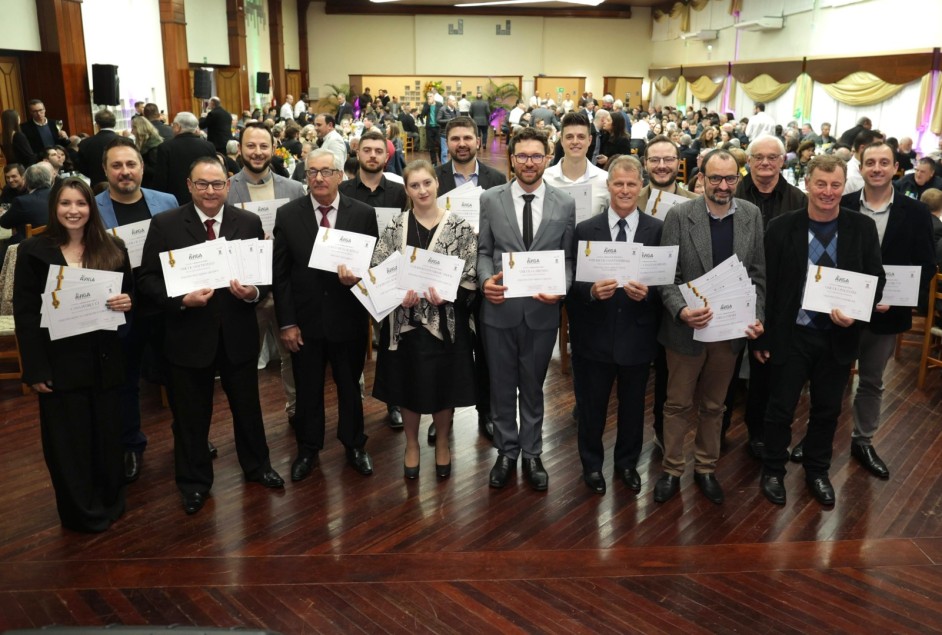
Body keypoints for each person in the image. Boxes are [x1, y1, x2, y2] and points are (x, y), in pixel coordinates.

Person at [138, 158, 285, 514]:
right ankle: (193, 483)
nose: (210, 191)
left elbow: (263, 277)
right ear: (189, 185)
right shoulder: (165, 224)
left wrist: (252, 294)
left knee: (248, 409)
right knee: (191, 417)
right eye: (202, 184)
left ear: (227, 186)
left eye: (217, 184)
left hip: (237, 335)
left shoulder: (247, 222)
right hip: (188, 336)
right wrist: (181, 300)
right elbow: (146, 280)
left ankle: (258, 467)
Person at [757, 154, 885, 506]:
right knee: (780, 408)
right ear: (808, 184)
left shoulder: (861, 228)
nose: (828, 192)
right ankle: (773, 471)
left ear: (844, 187)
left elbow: (876, 279)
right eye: (821, 184)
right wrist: (764, 336)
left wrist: (856, 315)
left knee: (828, 410)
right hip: (791, 336)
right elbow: (766, 285)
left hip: (837, 337)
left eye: (835, 185)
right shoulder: (782, 227)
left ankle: (817, 470)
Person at [13, 177, 133, 532]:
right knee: (68, 443)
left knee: (108, 435)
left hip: (105, 358)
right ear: (55, 208)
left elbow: (128, 298)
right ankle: (80, 511)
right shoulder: (33, 251)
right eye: (65, 204)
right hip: (59, 363)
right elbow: (25, 314)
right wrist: (35, 369)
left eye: (80, 203)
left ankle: (111, 501)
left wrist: (129, 303)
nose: (73, 211)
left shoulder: (113, 247)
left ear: (91, 207)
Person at [810, 142, 933, 480]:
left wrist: (902, 297)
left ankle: (862, 441)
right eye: (870, 163)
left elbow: (926, 265)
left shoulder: (917, 212)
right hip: (839, 311)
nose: (877, 168)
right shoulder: (842, 203)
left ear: (896, 168)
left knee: (872, 380)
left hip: (886, 314)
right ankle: (815, 439)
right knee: (829, 376)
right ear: (860, 168)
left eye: (884, 162)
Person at [654, 149, 766, 505]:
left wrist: (755, 314)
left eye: (730, 178)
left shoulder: (751, 215)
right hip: (685, 331)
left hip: (730, 332)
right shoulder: (678, 215)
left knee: (716, 406)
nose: (723, 185)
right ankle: (671, 470)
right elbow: (665, 277)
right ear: (700, 178)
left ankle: (705, 467)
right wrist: (681, 311)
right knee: (676, 405)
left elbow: (758, 275)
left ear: (738, 178)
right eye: (715, 178)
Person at [477, 127, 576, 491]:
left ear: (547, 158)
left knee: (533, 386)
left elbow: (567, 258)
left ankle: (533, 452)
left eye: (537, 155)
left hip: (541, 312)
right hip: (499, 310)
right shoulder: (491, 198)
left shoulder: (564, 203)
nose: (529, 162)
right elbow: (483, 251)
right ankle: (506, 451)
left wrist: (561, 288)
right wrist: (485, 279)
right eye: (523, 156)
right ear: (512, 159)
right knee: (502, 386)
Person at [273, 149, 378, 482]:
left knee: (350, 388)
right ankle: (308, 449)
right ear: (306, 178)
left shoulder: (362, 213)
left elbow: (372, 265)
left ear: (340, 176)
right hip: (304, 323)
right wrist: (287, 323)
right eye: (312, 172)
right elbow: (281, 275)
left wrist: (359, 277)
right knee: (307, 390)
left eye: (326, 171)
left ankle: (354, 445)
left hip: (348, 319)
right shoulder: (288, 215)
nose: (319, 178)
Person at [371, 160, 478, 479]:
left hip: (445, 325)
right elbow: (379, 270)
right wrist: (395, 293)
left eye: (427, 183)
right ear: (406, 190)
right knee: (408, 385)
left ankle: (443, 442)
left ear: (437, 184)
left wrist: (450, 292)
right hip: (404, 325)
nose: (422, 190)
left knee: (444, 386)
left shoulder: (459, 226)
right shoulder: (395, 227)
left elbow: (470, 272)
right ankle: (412, 445)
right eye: (414, 185)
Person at [567, 155, 663, 495]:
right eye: (618, 183)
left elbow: (664, 283)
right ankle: (591, 466)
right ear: (608, 187)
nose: (624, 190)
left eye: (631, 184)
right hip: (594, 336)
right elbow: (573, 283)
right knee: (592, 409)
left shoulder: (657, 229)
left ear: (641, 188)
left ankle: (626, 463)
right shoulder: (586, 229)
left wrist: (648, 294)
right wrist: (591, 290)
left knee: (634, 407)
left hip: (637, 336)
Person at [95, 137, 179, 481]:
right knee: (125, 382)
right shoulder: (92, 207)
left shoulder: (167, 201)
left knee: (179, 376)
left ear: (142, 168)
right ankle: (131, 445)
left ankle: (188, 439)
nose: (125, 172)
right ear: (105, 170)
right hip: (119, 307)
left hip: (164, 302)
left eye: (131, 165)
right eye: (117, 166)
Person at [725, 135, 806, 456]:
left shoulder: (798, 199)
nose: (765, 163)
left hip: (777, 297)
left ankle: (757, 433)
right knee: (725, 370)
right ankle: (717, 430)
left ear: (782, 161)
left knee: (765, 370)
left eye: (772, 157)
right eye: (758, 157)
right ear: (748, 161)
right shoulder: (731, 191)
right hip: (731, 290)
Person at [433, 116, 508, 442]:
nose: (461, 144)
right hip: (446, 277)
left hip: (487, 274)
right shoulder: (433, 179)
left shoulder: (497, 178)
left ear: (478, 141)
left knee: (488, 349)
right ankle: (441, 417)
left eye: (467, 138)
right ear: (447, 143)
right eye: (455, 139)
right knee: (445, 348)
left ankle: (486, 412)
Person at [225, 122, 305, 427]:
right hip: (243, 290)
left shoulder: (293, 188)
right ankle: (247, 421)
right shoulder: (227, 187)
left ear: (273, 148)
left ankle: (297, 411)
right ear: (240, 148)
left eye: (263, 146)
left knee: (292, 357)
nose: (257, 152)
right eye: (251, 146)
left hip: (286, 287)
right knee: (243, 362)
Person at [338, 128, 408, 429]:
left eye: (379, 151)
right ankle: (353, 409)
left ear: (386, 155)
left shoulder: (398, 192)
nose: (373, 155)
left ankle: (393, 403)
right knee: (352, 349)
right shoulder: (342, 191)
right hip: (350, 280)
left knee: (391, 346)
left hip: (387, 278)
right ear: (358, 153)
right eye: (367, 150)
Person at [544, 112, 609, 221]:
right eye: (569, 137)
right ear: (562, 141)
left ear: (590, 140)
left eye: (581, 137)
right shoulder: (544, 180)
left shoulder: (605, 180)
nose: (575, 142)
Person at [153, 112, 218, 204]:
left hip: (175, 201)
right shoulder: (208, 146)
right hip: (203, 197)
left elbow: (161, 179)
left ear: (177, 127)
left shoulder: (165, 148)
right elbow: (214, 172)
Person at [0, 163, 54, 259]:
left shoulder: (22, 201)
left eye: (14, 176)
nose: (10, 180)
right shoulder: (57, 194)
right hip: (55, 242)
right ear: (49, 179)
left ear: (26, 181)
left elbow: (4, 223)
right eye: (7, 177)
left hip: (29, 246)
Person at [78, 110, 119, 187]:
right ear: (114, 123)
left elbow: (81, 167)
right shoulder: (126, 142)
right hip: (120, 183)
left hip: (97, 186)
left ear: (97, 124)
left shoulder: (85, 143)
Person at [129, 115, 164, 190]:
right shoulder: (149, 143)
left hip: (151, 185)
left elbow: (155, 170)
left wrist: (138, 164)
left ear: (139, 129)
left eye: (133, 128)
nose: (131, 131)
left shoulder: (153, 147)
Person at [421, 95, 442, 167]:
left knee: (440, 144)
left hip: (438, 127)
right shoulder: (426, 104)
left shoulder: (439, 104)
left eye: (431, 96)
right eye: (428, 96)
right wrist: (428, 105)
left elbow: (441, 114)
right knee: (431, 146)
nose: (429, 97)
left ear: (434, 97)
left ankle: (440, 159)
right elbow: (423, 114)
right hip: (429, 127)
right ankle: (434, 162)